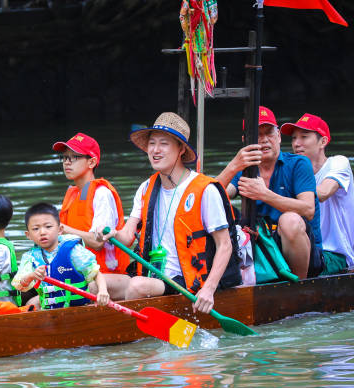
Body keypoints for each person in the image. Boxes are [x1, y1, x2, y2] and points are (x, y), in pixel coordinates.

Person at [100, 112, 240, 314]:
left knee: (137, 286)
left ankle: (133, 338)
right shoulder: (146, 187)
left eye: (164, 144)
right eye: (152, 143)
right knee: (97, 282)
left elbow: (225, 245)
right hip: (153, 275)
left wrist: (208, 290)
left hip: (188, 279)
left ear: (181, 149)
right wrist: (112, 234)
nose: (155, 150)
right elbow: (127, 236)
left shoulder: (205, 189)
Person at [216, 106, 323, 279]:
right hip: (261, 250)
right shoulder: (242, 169)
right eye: (258, 135)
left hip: (305, 256)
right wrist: (233, 165)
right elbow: (211, 195)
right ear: (246, 141)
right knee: (222, 216)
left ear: (279, 136)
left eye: (269, 133)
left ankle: (299, 288)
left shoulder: (298, 164)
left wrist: (264, 194)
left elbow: (308, 210)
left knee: (290, 220)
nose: (264, 140)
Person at [52, 132, 130, 300]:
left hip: (105, 276)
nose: (67, 162)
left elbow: (97, 243)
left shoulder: (101, 194)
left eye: (74, 157)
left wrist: (64, 230)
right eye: (64, 157)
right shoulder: (72, 194)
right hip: (81, 274)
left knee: (89, 287)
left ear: (92, 162)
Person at [282, 113, 354, 274]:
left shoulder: (338, 163)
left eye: (304, 137)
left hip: (337, 254)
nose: (296, 144)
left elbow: (322, 193)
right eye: (294, 138)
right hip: (305, 248)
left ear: (323, 141)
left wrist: (271, 193)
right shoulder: (293, 172)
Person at [11, 203, 110, 310]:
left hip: (81, 309)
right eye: (35, 229)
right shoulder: (30, 257)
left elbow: (96, 273)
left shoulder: (73, 251)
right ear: (28, 235)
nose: (42, 232)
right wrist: (31, 276)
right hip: (49, 313)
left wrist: (103, 291)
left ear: (60, 229)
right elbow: (19, 286)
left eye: (48, 227)